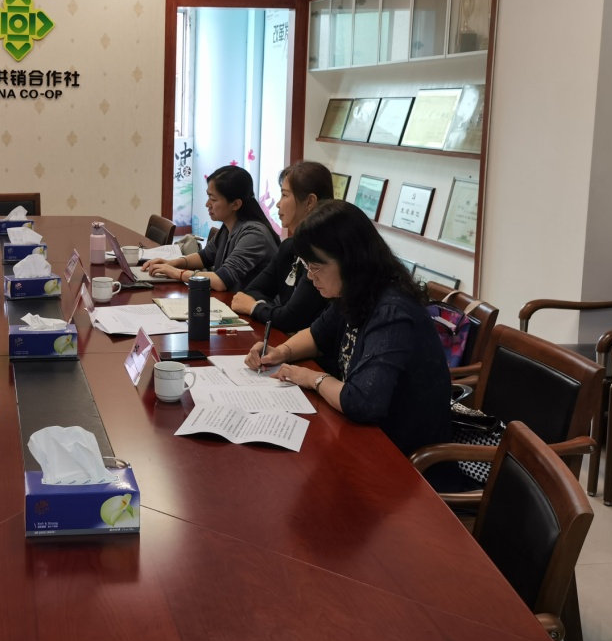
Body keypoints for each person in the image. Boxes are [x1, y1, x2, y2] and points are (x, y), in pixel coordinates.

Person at [244, 199, 451, 457]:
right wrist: (281, 352)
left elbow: (362, 402)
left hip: (401, 455)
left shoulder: (391, 312)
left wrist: (311, 378)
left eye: (316, 267)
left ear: (349, 260)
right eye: (307, 267)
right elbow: (318, 334)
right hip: (363, 436)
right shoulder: (356, 292)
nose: (310, 277)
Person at [231, 161, 333, 335]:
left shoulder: (323, 252)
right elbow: (252, 291)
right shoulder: (289, 246)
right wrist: (276, 313)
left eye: (285, 195)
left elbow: (291, 319)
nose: (278, 204)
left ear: (309, 202)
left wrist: (256, 308)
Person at [141, 165, 279, 292]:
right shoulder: (228, 226)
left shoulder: (254, 235)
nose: (207, 204)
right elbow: (205, 256)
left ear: (236, 204)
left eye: (213, 199)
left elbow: (221, 281)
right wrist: (171, 263)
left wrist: (176, 273)